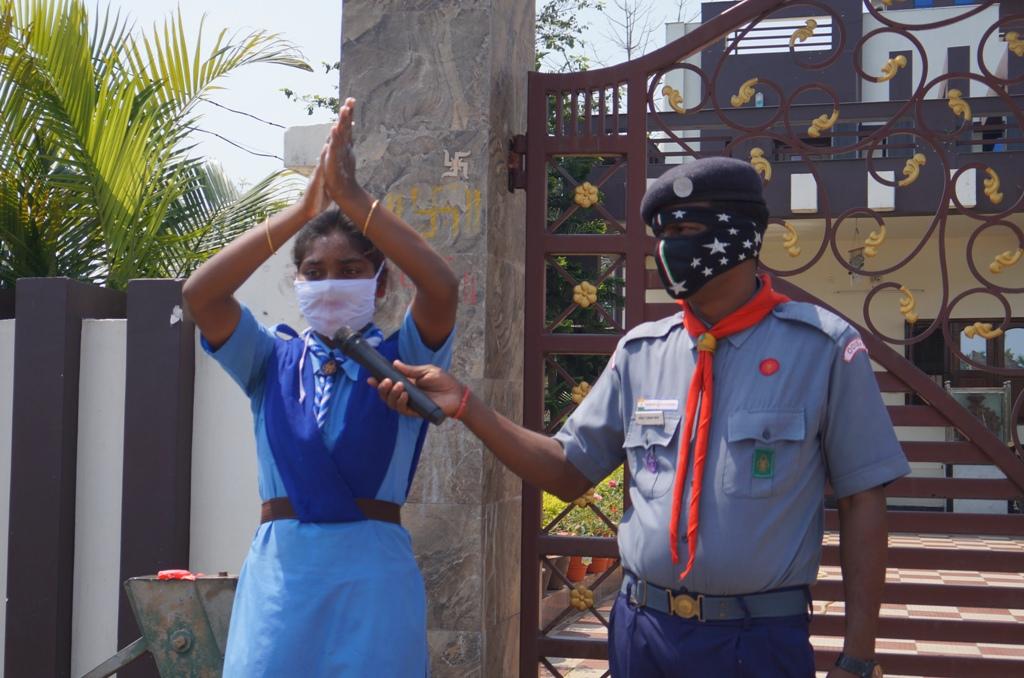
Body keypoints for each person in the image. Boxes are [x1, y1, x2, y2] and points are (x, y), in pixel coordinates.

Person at [373, 157, 910, 678]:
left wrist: (857, 658)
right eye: (663, 232)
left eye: (689, 227)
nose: (670, 246)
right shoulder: (642, 352)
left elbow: (864, 499)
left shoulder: (822, 348)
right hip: (644, 633)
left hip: (757, 640)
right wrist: (469, 406)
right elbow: (567, 470)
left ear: (742, 235)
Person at [182, 98, 458, 676]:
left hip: (373, 576)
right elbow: (201, 295)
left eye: (351, 270)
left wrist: (355, 199)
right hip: (283, 578)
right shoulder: (268, 359)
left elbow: (440, 286)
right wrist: (301, 209)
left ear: (380, 286)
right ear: (297, 281)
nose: (331, 282)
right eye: (314, 272)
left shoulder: (403, 360)